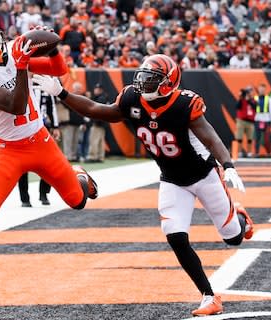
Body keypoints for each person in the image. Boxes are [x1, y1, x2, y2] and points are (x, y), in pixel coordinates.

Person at [32, 54, 254, 317]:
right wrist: (61, 93)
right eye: (143, 77)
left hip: (205, 176)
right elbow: (96, 109)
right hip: (172, 179)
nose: (143, 83)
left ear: (168, 83)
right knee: (175, 236)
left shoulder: (185, 104)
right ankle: (208, 296)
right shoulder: (131, 99)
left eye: (151, 80)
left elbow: (210, 137)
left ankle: (240, 218)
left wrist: (227, 164)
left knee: (233, 237)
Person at [0, 17, 98, 310]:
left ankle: (78, 177)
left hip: (40, 141)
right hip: (8, 150)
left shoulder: (13, 52)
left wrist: (51, 48)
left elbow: (59, 70)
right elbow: (16, 105)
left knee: (78, 202)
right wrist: (23, 64)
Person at [17, 87, 61, 207]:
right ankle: (24, 198)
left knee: (48, 163)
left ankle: (44, 194)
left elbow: (52, 108)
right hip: (24, 129)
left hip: (43, 129)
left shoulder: (44, 86)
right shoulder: (21, 85)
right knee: (23, 165)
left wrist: (55, 126)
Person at [253, 84, 271, 157]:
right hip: (258, 119)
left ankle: (269, 153)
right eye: (260, 89)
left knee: (267, 137)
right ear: (258, 90)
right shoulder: (255, 98)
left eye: (263, 89)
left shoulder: (269, 99)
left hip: (266, 119)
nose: (262, 90)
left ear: (265, 90)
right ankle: (256, 152)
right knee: (257, 137)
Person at [235, 86, 257, 158]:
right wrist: (241, 97)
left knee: (250, 138)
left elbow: (254, 106)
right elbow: (237, 106)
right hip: (241, 120)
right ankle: (239, 152)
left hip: (250, 121)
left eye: (250, 91)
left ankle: (249, 152)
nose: (249, 93)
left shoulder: (253, 100)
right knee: (239, 137)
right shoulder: (242, 100)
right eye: (248, 92)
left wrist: (248, 100)